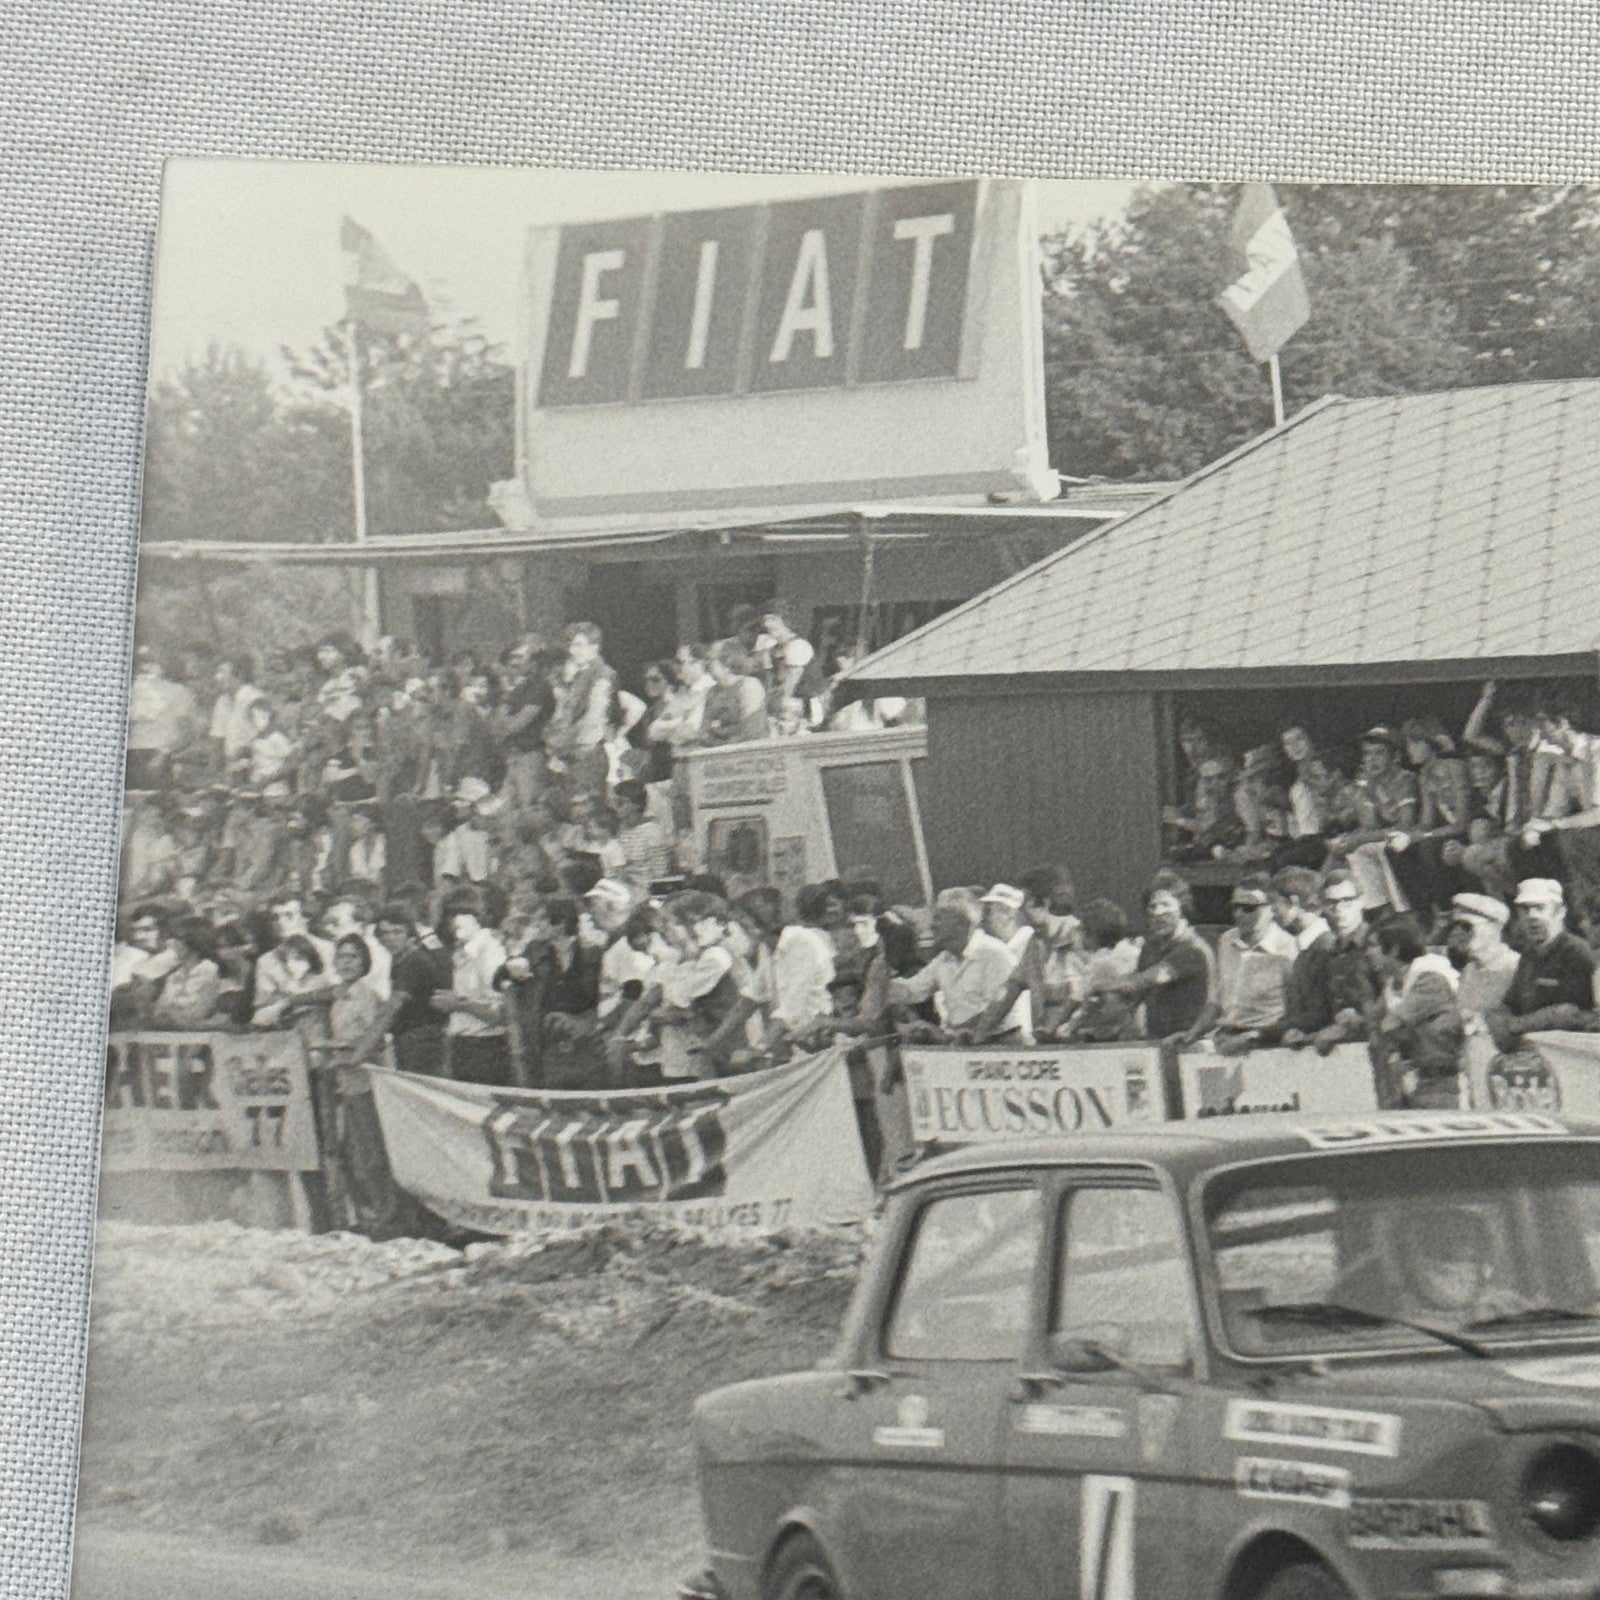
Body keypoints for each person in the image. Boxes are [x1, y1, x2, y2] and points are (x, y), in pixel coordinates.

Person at [1485, 878, 1600, 1050]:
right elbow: (1511, 1002)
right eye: (1525, 910)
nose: (1532, 917)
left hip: (1572, 1054)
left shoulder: (1576, 952)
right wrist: (1497, 1018)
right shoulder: (1529, 955)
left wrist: (1515, 1025)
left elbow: (1570, 1013)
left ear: (1560, 913)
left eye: (1540, 908)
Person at [1277, 869, 1385, 1051]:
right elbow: (1321, 1013)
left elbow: (1398, 1002)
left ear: (1362, 902)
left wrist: (1357, 1023)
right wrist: (1297, 1031)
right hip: (1345, 1052)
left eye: (1348, 901)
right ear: (1322, 907)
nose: (1339, 910)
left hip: (1380, 1045)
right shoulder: (1326, 953)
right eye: (1331, 903)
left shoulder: (1379, 944)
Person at [1098, 879, 1214, 1044]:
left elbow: (1149, 978)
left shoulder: (1192, 948)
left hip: (1191, 1043)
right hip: (1157, 1041)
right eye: (1152, 907)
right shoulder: (1150, 947)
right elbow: (1136, 994)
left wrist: (1101, 986)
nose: (1158, 913)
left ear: (1182, 908)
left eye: (1166, 905)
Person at [887, 896, 1017, 1042]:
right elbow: (912, 990)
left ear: (961, 923)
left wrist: (950, 1033)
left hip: (1003, 1045)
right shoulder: (945, 958)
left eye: (938, 918)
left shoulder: (994, 954)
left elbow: (999, 1010)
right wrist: (877, 985)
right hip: (964, 1045)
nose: (932, 925)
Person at [1372, 913, 1465, 1108]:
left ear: (1394, 950)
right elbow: (1374, 1021)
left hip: (1450, 1084)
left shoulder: (1431, 978)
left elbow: (1390, 1023)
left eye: (1374, 946)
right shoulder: (1393, 985)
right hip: (1420, 1081)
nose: (1368, 953)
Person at [1203, 872, 1299, 1054]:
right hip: (1224, 1038)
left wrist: (1255, 1037)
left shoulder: (1289, 950)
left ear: (1271, 909)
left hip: (1266, 1044)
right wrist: (1191, 1035)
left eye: (1249, 907)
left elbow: (1295, 1013)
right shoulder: (1226, 940)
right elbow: (1215, 1002)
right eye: (1235, 906)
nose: (1239, 914)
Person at [1330, 727, 1419, 912]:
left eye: (1379, 753)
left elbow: (1405, 825)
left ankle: (1403, 911)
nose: (1371, 759)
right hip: (1387, 838)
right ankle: (1379, 910)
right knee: (1356, 850)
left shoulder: (1406, 779)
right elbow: (1369, 825)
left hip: (1414, 840)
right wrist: (1365, 788)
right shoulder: (1370, 782)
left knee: (1380, 848)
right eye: (1367, 754)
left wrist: (1361, 838)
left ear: (1395, 757)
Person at [434, 891, 512, 1086]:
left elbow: (500, 1014)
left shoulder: (490, 952)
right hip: (461, 1046)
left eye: (462, 913)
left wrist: (459, 1004)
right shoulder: (461, 952)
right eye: (449, 915)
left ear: (478, 916)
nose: (454, 921)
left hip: (486, 1049)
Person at [372, 905, 448, 1076]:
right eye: (384, 933)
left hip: (422, 1043)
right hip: (410, 1040)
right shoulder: (400, 959)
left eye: (397, 932)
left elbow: (392, 1009)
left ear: (409, 933)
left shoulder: (412, 961)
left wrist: (361, 1051)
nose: (390, 938)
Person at [545, 622, 616, 795]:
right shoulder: (575, 676)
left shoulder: (602, 674)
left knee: (587, 808)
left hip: (586, 753)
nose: (572, 651)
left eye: (579, 645)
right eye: (569, 645)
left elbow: (593, 718)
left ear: (595, 647)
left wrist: (562, 743)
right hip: (567, 753)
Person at [125, 647, 201, 790]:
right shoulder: (132, 691)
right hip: (130, 758)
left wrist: (163, 754)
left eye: (150, 661)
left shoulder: (180, 693)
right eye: (141, 662)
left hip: (159, 760)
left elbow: (188, 735)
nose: (144, 667)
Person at [1447, 892, 1520, 1020]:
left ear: (1493, 928)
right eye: (1455, 926)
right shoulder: (1470, 969)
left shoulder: (1515, 967)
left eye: (1466, 926)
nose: (1457, 932)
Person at [700, 641, 769, 745]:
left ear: (727, 661)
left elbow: (752, 728)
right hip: (721, 748)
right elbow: (704, 730)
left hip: (752, 748)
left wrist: (721, 734)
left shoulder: (748, 685)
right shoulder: (712, 692)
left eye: (710, 660)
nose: (706, 665)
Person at [208, 654, 267, 767]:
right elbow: (218, 740)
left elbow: (268, 739)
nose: (217, 677)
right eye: (217, 672)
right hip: (233, 767)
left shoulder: (255, 699)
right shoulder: (222, 701)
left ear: (239, 675)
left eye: (222, 672)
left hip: (258, 767)